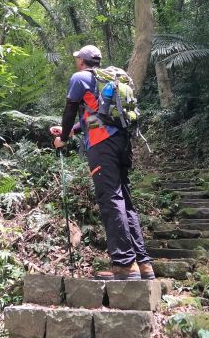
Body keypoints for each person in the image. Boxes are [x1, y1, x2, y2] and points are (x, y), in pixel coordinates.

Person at [50, 45, 154, 281]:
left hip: (102, 146)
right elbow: (96, 116)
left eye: (77, 58)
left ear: (82, 61)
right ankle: (143, 264)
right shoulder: (102, 82)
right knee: (124, 198)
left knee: (110, 198)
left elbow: (70, 110)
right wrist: (74, 130)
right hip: (121, 143)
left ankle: (125, 264)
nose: (76, 62)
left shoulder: (79, 78)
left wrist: (62, 138)